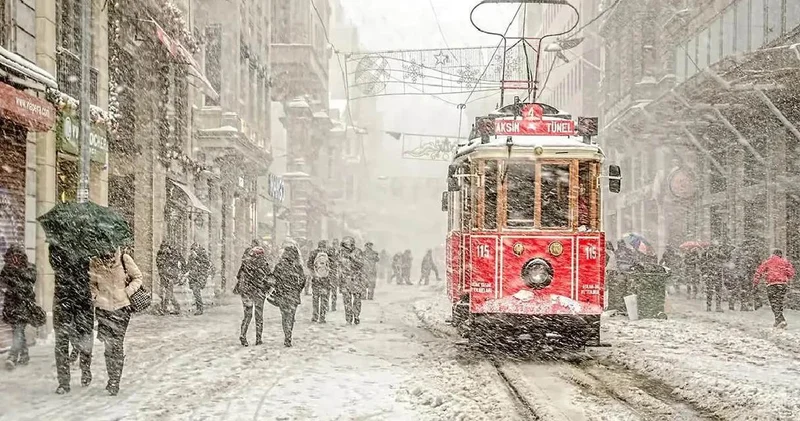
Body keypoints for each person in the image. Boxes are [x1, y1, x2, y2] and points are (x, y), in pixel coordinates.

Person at [89, 247, 143, 396]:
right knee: (108, 346)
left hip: (121, 308)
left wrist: (127, 291)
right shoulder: (95, 262)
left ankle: (114, 381)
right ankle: (111, 376)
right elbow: (92, 284)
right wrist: (95, 296)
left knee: (117, 344)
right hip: (103, 309)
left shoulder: (124, 259)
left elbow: (138, 277)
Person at [49, 243, 94, 394]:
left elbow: (92, 267)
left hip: (82, 300)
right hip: (63, 300)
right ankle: (63, 382)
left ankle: (85, 368)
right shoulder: (56, 245)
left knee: (85, 336)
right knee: (61, 341)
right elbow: (54, 264)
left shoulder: (87, 243)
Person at [1, 245, 36, 371]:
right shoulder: (7, 269)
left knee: (18, 331)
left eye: (17, 256)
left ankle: (12, 356)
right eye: (12, 256)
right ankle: (25, 355)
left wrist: (17, 275)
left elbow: (29, 283)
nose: (15, 259)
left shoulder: (30, 268)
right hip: (11, 306)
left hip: (24, 306)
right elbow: (2, 283)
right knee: (18, 331)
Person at [234, 245, 270, 346]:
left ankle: (243, 334)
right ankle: (258, 338)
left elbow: (238, 276)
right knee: (259, 315)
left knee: (247, 315)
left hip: (246, 291)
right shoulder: (263, 263)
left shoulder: (245, 263)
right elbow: (268, 277)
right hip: (259, 291)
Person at [272, 244, 305, 347]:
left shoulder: (279, 265)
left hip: (282, 294)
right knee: (291, 315)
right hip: (293, 294)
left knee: (284, 315)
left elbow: (274, 279)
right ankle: (288, 335)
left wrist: (278, 288)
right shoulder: (298, 266)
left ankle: (286, 333)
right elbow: (303, 280)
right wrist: (297, 289)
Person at [753, 249, 795, 329]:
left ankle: (781, 320)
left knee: (773, 303)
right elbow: (791, 273)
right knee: (779, 302)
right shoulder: (785, 262)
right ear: (780, 255)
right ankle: (778, 320)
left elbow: (759, 272)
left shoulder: (768, 262)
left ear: (773, 254)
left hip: (771, 284)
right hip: (782, 285)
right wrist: (785, 277)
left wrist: (756, 282)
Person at [339, 237, 365, 325]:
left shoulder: (358, 252)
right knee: (347, 301)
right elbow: (338, 267)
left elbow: (361, 264)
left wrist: (352, 258)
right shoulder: (341, 253)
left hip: (356, 279)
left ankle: (356, 315)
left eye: (346, 245)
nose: (345, 248)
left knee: (357, 299)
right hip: (345, 280)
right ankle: (348, 318)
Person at [156, 241, 184, 314]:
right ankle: (175, 307)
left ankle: (165, 308)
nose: (165, 249)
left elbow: (176, 265)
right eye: (163, 247)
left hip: (170, 277)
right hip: (163, 276)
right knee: (165, 293)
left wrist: (176, 275)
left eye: (166, 247)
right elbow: (159, 265)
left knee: (168, 293)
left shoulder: (172, 255)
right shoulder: (161, 254)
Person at [307, 240, 331, 323]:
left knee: (316, 298)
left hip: (316, 279)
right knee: (324, 298)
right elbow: (333, 266)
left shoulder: (313, 253)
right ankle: (322, 316)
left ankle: (315, 315)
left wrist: (314, 273)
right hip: (326, 279)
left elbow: (309, 264)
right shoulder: (329, 253)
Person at [186, 243, 213, 315]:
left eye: (194, 250)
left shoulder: (202, 255)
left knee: (196, 290)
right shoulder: (191, 257)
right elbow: (188, 266)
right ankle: (198, 306)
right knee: (195, 292)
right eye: (192, 250)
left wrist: (197, 257)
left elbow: (206, 264)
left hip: (200, 276)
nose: (192, 252)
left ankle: (200, 308)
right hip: (193, 276)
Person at [328, 239, 341, 312]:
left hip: (331, 274)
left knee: (331, 291)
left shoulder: (331, 251)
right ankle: (332, 305)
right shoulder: (337, 252)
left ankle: (331, 305)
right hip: (333, 273)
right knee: (332, 291)